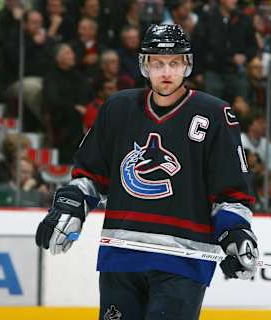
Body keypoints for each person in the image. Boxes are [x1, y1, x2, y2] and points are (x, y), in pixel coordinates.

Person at [35, 24, 259, 320]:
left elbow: (232, 190)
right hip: (121, 257)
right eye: (157, 63)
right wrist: (70, 206)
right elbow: (90, 175)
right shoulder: (117, 108)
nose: (166, 71)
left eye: (174, 62)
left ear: (187, 64)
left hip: (183, 261)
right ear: (144, 64)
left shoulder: (215, 115)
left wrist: (236, 233)